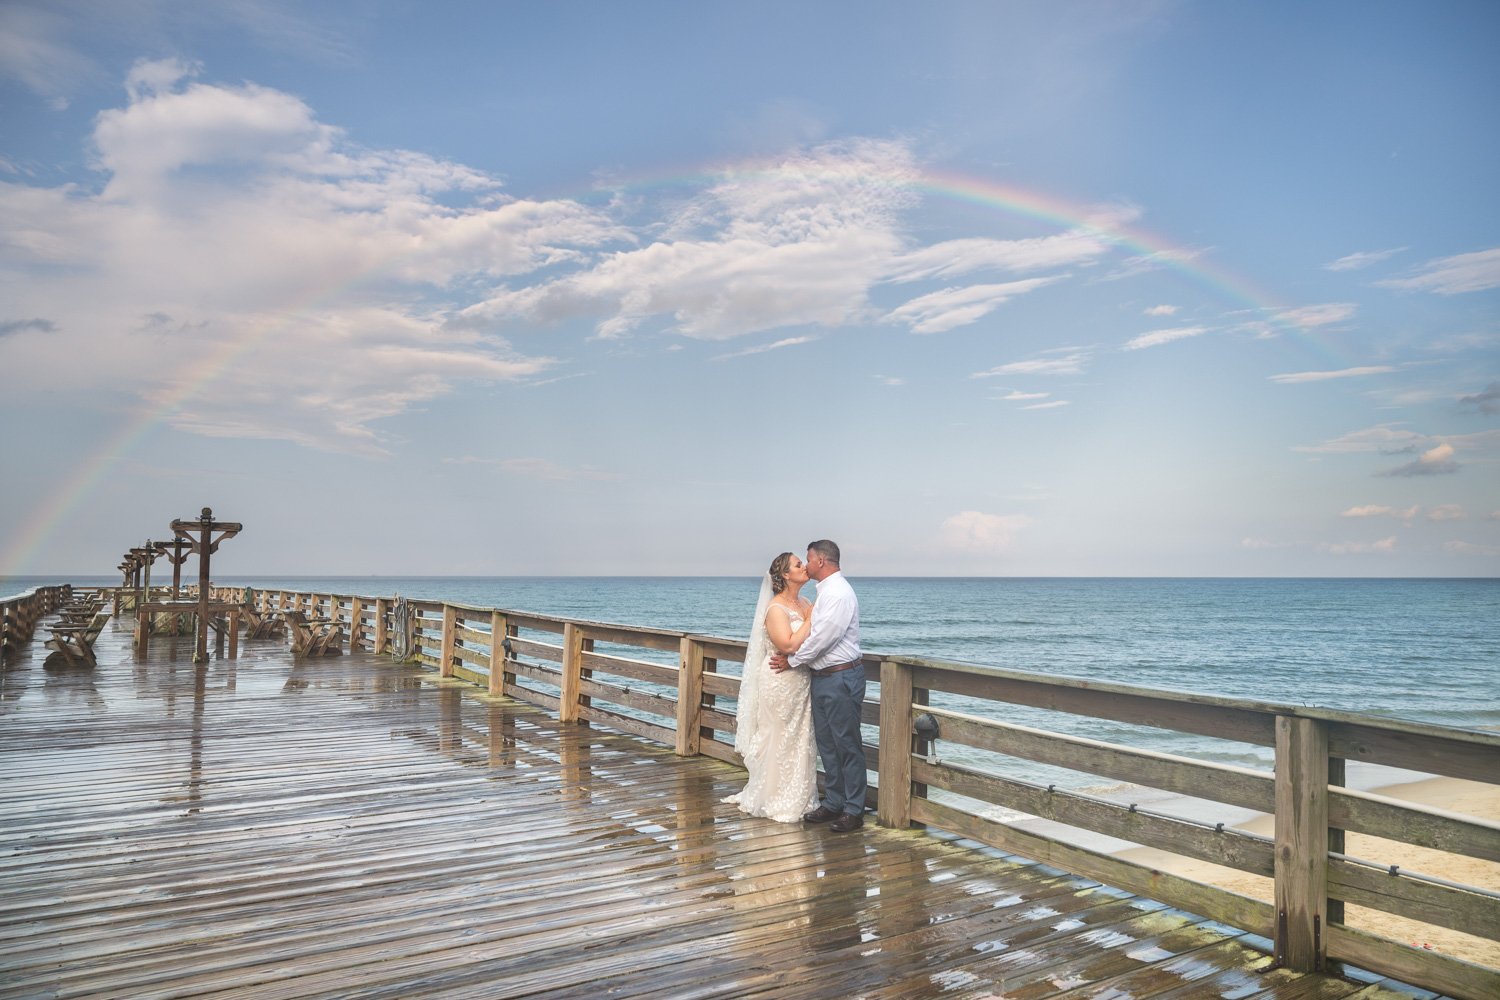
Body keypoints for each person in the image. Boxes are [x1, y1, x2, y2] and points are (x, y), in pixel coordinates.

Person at [770, 539, 865, 832]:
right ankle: (834, 803)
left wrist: (793, 660)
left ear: (820, 561)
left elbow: (825, 639)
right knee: (827, 743)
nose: (807, 565)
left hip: (840, 677)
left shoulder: (837, 593)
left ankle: (853, 810)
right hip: (822, 678)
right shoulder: (822, 593)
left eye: (808, 560)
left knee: (846, 744)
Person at [722, 552, 820, 822]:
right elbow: (786, 645)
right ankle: (773, 795)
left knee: (800, 737)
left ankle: (799, 795)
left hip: (801, 679)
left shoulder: (805, 602)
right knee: (777, 735)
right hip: (779, 679)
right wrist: (811, 619)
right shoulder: (776, 608)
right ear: (786, 575)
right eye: (798, 564)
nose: (804, 567)